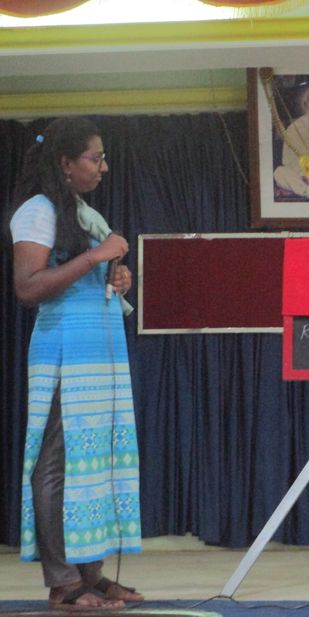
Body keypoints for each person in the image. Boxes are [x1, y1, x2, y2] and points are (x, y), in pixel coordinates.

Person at [6, 117, 144, 610]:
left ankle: (91, 573)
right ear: (65, 163)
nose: (103, 167)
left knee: (92, 464)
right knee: (58, 465)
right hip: (65, 350)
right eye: (95, 158)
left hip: (98, 351)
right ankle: (63, 583)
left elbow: (84, 275)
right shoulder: (37, 211)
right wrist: (96, 258)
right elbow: (28, 287)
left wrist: (115, 277)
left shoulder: (83, 213)